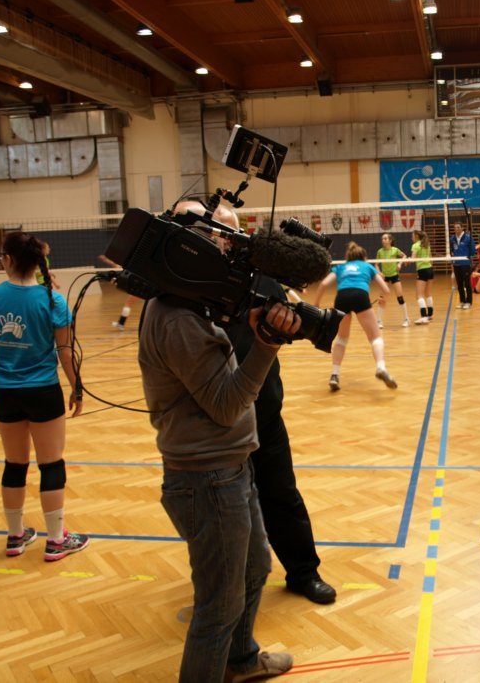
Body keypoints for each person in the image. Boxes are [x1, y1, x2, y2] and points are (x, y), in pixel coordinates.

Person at [138, 208, 296, 681]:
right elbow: (226, 405)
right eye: (220, 246)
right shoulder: (177, 320)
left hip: (228, 468)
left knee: (254, 570)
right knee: (218, 606)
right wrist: (265, 345)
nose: (227, 257)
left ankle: (240, 660)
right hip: (206, 478)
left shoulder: (189, 305)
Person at [174, 200, 337, 607]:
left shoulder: (263, 278)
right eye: (217, 232)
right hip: (212, 421)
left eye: (231, 232)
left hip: (263, 411)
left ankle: (304, 572)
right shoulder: (183, 285)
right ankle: (226, 584)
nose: (226, 241)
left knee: (282, 493)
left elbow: (285, 325)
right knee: (222, 508)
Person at [0, 231, 89, 561]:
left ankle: (15, 536)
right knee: (51, 464)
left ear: (8, 259)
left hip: (5, 392)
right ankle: (55, 540)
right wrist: (77, 388)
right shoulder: (53, 300)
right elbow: (66, 353)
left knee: (14, 464)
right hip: (43, 392)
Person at [315, 241, 397, 391]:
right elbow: (386, 289)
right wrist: (383, 299)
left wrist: (316, 305)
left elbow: (324, 284)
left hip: (342, 298)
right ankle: (381, 367)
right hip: (360, 296)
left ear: (348, 257)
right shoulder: (367, 266)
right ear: (364, 257)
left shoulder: (341, 267)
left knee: (342, 339)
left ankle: (334, 375)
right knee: (375, 338)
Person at [375, 232, 411, 328]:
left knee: (400, 298)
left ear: (390, 240)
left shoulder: (395, 250)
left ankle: (406, 319)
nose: (383, 240)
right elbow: (376, 264)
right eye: (382, 239)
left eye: (385, 238)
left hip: (394, 275)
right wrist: (379, 273)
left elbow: (404, 256)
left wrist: (399, 263)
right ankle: (379, 321)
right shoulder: (380, 252)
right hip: (385, 277)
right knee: (382, 298)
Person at [97, 255, 139, 329]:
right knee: (129, 304)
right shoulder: (134, 267)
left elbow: (114, 265)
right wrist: (105, 260)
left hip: (137, 288)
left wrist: (105, 259)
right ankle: (121, 324)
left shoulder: (128, 268)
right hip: (139, 287)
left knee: (128, 304)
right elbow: (114, 265)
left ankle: (121, 324)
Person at [450, 222, 475, 309]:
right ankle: (462, 301)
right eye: (455, 227)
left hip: (465, 264)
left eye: (458, 227)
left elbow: (472, 251)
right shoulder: (452, 238)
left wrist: (467, 257)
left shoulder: (468, 238)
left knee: (467, 283)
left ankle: (469, 302)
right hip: (456, 264)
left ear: (462, 228)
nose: (456, 229)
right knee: (459, 284)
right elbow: (452, 250)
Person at [412, 230, 434, 324]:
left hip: (422, 270)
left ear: (416, 236)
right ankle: (430, 315)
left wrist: (407, 260)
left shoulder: (415, 245)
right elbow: (431, 258)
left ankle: (424, 317)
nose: (411, 238)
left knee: (419, 295)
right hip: (430, 269)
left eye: (412, 236)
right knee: (428, 293)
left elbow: (413, 259)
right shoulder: (426, 244)